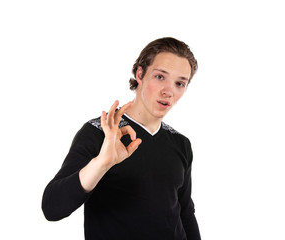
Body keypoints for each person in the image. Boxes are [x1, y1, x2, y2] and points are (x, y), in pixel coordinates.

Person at [42, 37, 201, 240]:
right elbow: (52, 208)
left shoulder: (180, 143)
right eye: (160, 77)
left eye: (180, 83)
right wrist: (102, 163)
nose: (169, 91)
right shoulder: (100, 132)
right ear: (140, 73)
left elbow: (185, 211)